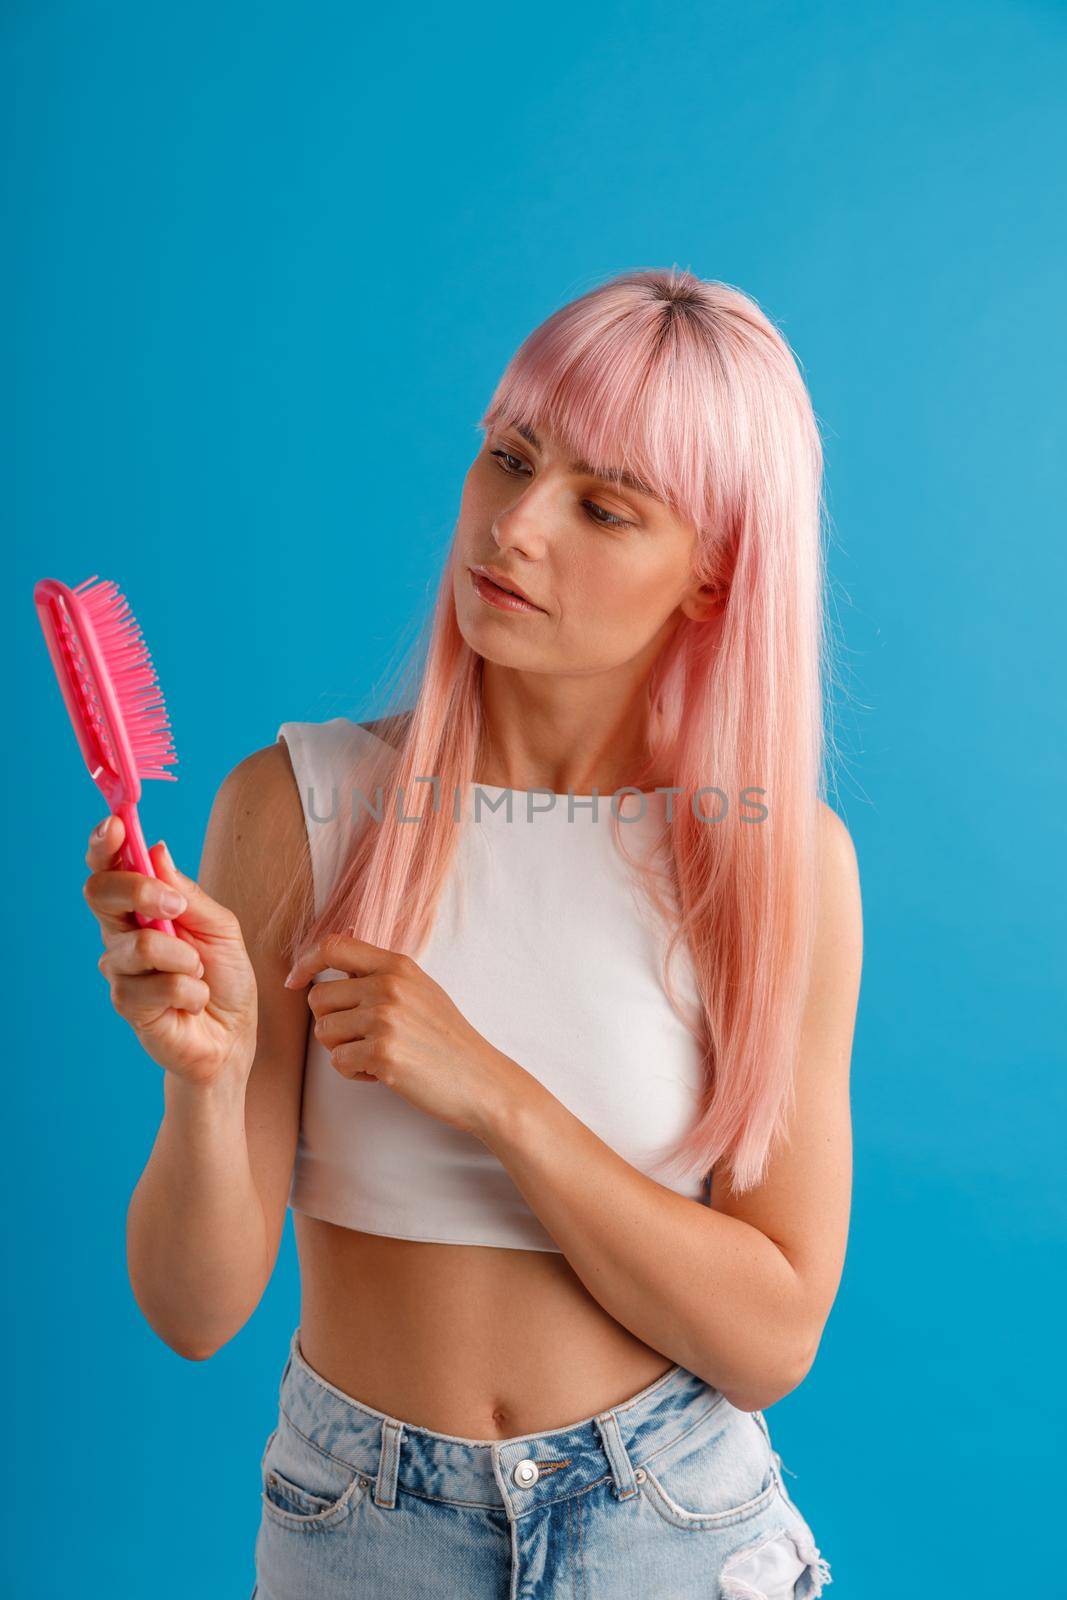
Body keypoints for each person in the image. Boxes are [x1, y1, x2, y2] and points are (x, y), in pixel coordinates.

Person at [83, 267, 862, 1598]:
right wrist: (207, 1082)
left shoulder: (773, 861)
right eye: (508, 457)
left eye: (603, 507)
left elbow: (772, 1336)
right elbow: (193, 1311)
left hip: (673, 1526)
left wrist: (491, 1091)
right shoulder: (298, 809)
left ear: (713, 569)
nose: (513, 526)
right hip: (361, 1529)